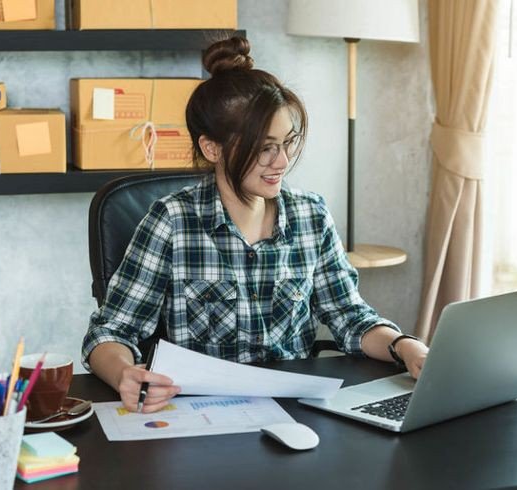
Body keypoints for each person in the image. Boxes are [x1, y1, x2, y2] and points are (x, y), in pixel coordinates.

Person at [82, 36, 429, 414]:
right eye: (265, 147)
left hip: (294, 411)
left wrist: (405, 346)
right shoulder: (172, 222)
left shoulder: (310, 216)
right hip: (201, 416)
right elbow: (110, 333)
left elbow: (350, 317)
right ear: (212, 148)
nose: (281, 161)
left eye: (288, 142)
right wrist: (123, 374)